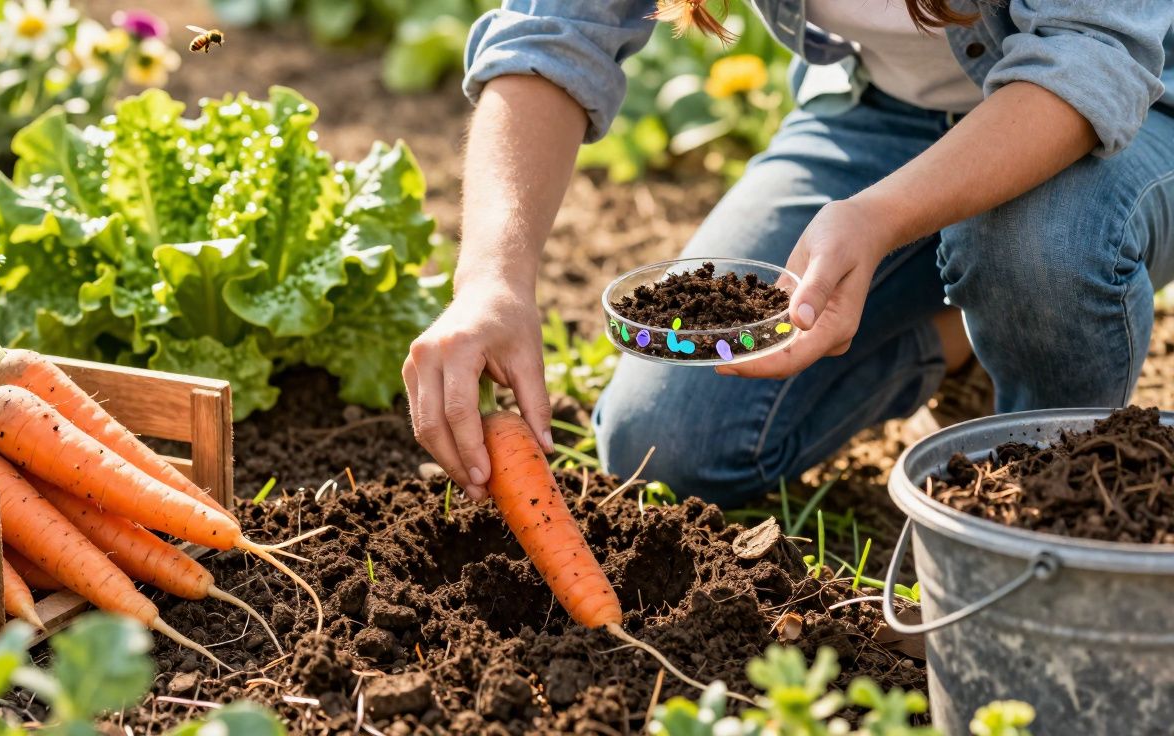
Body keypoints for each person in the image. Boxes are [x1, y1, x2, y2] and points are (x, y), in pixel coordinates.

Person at [402, 0, 1174, 506]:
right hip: (880, 113)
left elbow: (1090, 59)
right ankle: (963, 337)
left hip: (1135, 109)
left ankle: (1046, 511)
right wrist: (491, 282)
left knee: (1038, 247)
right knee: (666, 444)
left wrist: (881, 217)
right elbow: (556, 29)